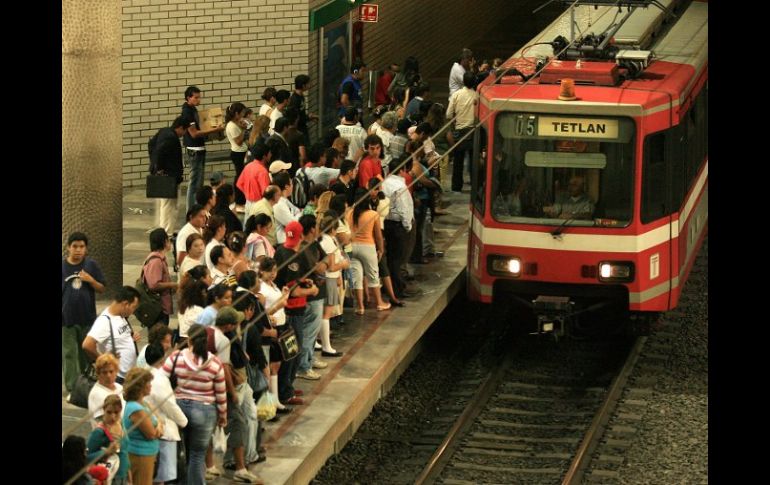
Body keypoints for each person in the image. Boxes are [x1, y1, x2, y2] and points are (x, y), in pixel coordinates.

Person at [162, 323, 227, 484]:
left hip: (179, 410)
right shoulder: (214, 363)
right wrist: (223, 415)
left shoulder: (176, 357)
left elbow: (161, 379)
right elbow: (220, 392)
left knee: (182, 452)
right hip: (205, 412)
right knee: (197, 455)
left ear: (189, 340)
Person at [62, 232, 106, 398]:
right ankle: (72, 388)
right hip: (66, 319)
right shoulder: (63, 267)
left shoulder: (91, 265)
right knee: (69, 354)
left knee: (85, 353)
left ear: (86, 248)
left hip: (87, 317)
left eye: (82, 246)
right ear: (68, 247)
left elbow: (102, 288)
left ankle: (86, 383)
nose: (78, 250)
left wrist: (90, 280)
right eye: (75, 246)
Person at [144, 343, 189, 485]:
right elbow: (169, 405)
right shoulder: (159, 379)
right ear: (163, 358)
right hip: (163, 432)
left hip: (149, 430)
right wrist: (184, 421)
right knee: (162, 478)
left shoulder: (142, 374)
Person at [82, 286, 141, 383]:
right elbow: (87, 345)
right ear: (125, 304)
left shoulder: (121, 316)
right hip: (118, 377)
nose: (133, 311)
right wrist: (105, 362)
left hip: (128, 374)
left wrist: (131, 337)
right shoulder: (104, 321)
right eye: (133, 307)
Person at [181, 85, 226, 211]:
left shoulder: (193, 109)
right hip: (194, 150)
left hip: (199, 148)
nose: (198, 100)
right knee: (194, 182)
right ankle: (190, 210)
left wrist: (214, 134)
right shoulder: (187, 112)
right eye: (196, 97)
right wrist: (214, 130)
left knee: (199, 182)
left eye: (199, 97)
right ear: (188, 98)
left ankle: (196, 208)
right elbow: (194, 133)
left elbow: (201, 130)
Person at [122, 367, 163, 485]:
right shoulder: (136, 409)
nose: (151, 385)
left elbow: (160, 420)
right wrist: (159, 427)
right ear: (140, 386)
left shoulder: (143, 404)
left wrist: (159, 425)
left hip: (148, 454)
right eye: (148, 382)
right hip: (140, 456)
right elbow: (152, 434)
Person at [150, 116, 186, 235]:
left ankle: (162, 229)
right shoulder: (171, 138)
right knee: (170, 206)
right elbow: (160, 152)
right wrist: (160, 168)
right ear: (180, 127)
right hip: (170, 176)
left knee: (164, 204)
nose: (184, 134)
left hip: (164, 175)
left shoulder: (163, 131)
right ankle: (167, 232)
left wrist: (154, 165)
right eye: (184, 131)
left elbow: (151, 144)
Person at [86, 394, 130, 485]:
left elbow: (125, 452)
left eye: (116, 412)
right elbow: (87, 457)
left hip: (123, 476)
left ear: (120, 411)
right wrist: (106, 452)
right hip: (108, 478)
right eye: (109, 412)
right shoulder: (99, 432)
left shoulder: (121, 424)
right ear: (104, 410)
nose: (113, 417)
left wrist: (129, 476)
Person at [446, 71, 479, 192]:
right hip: (473, 131)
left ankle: (456, 187)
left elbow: (448, 114)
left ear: (463, 81)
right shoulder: (477, 96)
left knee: (458, 161)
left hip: (459, 131)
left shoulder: (456, 95)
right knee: (473, 161)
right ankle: (475, 185)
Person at [144, 228, 179, 326]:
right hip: (158, 309)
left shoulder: (160, 258)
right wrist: (172, 284)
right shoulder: (156, 261)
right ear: (164, 242)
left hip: (161, 307)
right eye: (168, 240)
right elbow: (154, 285)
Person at [87, 353, 126, 429]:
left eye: (111, 371)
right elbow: (106, 423)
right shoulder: (96, 394)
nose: (108, 375)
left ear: (116, 371)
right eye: (104, 372)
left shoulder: (119, 387)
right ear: (98, 374)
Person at [225, 102, 250, 210]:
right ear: (236, 113)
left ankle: (241, 200)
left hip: (241, 152)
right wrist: (243, 129)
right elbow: (238, 142)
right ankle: (239, 201)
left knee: (241, 176)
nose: (243, 115)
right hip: (238, 154)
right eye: (242, 113)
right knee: (240, 177)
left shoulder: (236, 123)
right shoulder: (231, 125)